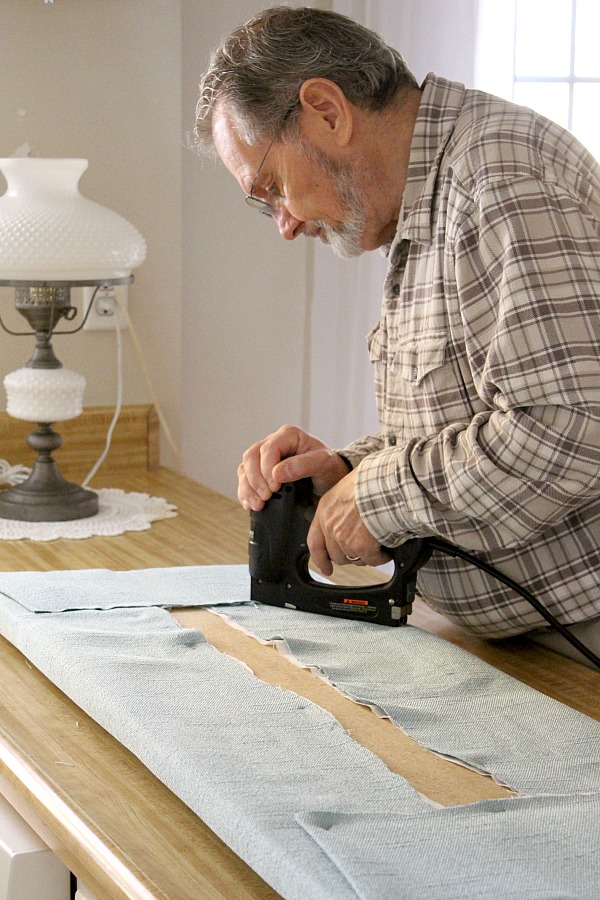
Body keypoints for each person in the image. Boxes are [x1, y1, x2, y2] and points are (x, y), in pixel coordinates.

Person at [192, 6, 600, 661]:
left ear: (326, 109)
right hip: (517, 643)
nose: (284, 225)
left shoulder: (501, 177)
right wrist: (345, 471)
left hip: (579, 648)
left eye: (272, 188)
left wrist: (378, 496)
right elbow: (474, 411)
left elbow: (571, 424)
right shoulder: (429, 202)